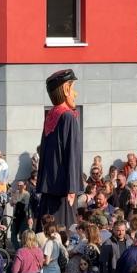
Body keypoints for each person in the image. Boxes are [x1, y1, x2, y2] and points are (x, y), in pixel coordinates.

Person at [37, 70, 83, 230]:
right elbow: (72, 153)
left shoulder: (51, 115)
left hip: (48, 189)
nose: (75, 94)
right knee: (65, 235)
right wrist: (72, 188)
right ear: (65, 90)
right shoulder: (68, 116)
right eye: (73, 88)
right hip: (63, 190)